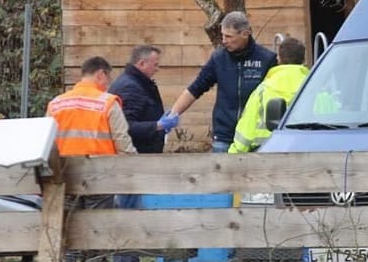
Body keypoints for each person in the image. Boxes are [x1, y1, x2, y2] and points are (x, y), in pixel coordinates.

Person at [159, 11, 277, 152]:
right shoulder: (219, 58)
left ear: (245, 34)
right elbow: (195, 89)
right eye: (222, 35)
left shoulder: (267, 59)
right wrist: (173, 114)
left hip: (254, 136)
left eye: (228, 36)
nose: (224, 40)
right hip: (224, 135)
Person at [230, 37, 310, 153]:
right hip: (308, 152)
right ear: (303, 60)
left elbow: (245, 133)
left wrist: (233, 155)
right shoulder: (314, 87)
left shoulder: (263, 90)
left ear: (279, 58)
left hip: (267, 155)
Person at [48, 56, 136, 160]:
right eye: (108, 79)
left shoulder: (56, 104)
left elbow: (47, 143)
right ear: (101, 75)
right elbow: (122, 142)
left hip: (63, 170)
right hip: (102, 170)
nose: (108, 85)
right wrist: (133, 165)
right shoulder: (108, 102)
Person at [107, 45, 167, 155]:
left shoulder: (138, 84)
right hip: (137, 156)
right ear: (142, 64)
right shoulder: (130, 88)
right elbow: (125, 126)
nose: (157, 69)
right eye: (155, 65)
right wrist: (157, 126)